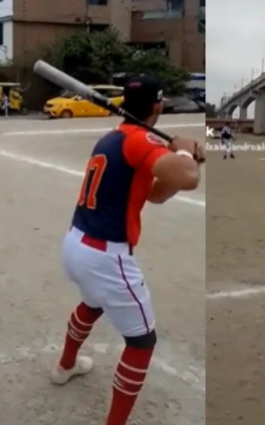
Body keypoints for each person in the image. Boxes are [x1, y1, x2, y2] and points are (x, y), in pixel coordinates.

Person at [51, 75, 204, 425]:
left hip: (76, 244)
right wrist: (181, 150)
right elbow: (189, 176)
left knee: (92, 303)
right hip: (106, 255)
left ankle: (65, 366)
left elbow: (157, 192)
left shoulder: (113, 138)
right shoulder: (140, 139)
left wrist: (189, 158)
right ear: (158, 106)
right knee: (142, 342)